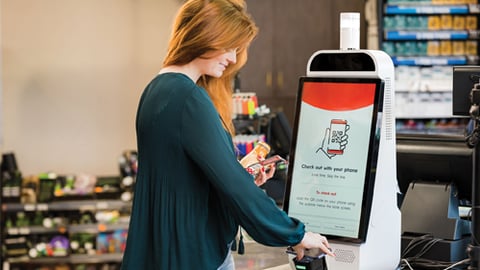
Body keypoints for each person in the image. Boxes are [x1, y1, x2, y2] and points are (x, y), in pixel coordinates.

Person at [120, 0, 334, 269]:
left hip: (165, 251)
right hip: (192, 254)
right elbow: (233, 186)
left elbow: (181, 177)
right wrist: (296, 233)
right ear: (207, 35)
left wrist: (237, 172)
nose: (233, 59)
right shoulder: (188, 98)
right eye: (230, 47)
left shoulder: (155, 91)